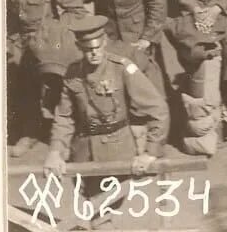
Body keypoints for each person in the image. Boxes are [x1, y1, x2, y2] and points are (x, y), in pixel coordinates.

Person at [44, 14, 168, 187]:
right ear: (79, 46)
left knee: (118, 205)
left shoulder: (122, 68)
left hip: (119, 151)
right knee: (89, 206)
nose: (94, 53)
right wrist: (55, 150)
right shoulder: (73, 73)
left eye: (97, 47)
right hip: (84, 152)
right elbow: (65, 117)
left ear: (105, 43)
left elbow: (158, 109)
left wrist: (150, 152)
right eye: (88, 49)